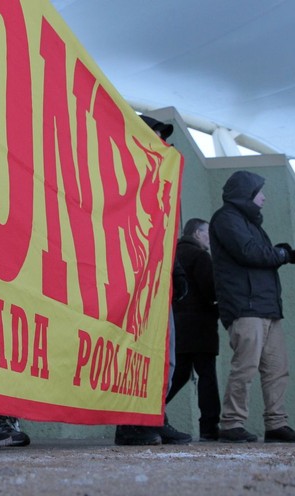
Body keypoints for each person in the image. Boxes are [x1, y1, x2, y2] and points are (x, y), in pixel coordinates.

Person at [210, 170, 295, 443]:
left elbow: (256, 252)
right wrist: (283, 254)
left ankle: (276, 423)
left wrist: (281, 253)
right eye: (260, 192)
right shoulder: (226, 218)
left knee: (277, 368)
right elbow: (249, 253)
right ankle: (231, 424)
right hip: (246, 307)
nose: (264, 198)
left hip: (266, 307)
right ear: (247, 194)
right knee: (245, 367)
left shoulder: (248, 222)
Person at [115, 115, 191, 446]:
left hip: (157, 280)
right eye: (157, 134)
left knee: (164, 355)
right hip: (131, 278)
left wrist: (176, 270)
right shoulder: (124, 171)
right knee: (137, 353)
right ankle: (132, 423)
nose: (163, 140)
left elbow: (165, 233)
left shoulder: (162, 177)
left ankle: (153, 417)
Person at [168, 218, 221, 441]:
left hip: (179, 324)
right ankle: (209, 426)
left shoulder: (174, 255)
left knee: (179, 374)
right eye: (207, 232)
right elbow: (211, 291)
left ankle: (148, 413)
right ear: (197, 233)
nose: (210, 237)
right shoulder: (200, 256)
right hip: (200, 325)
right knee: (207, 375)